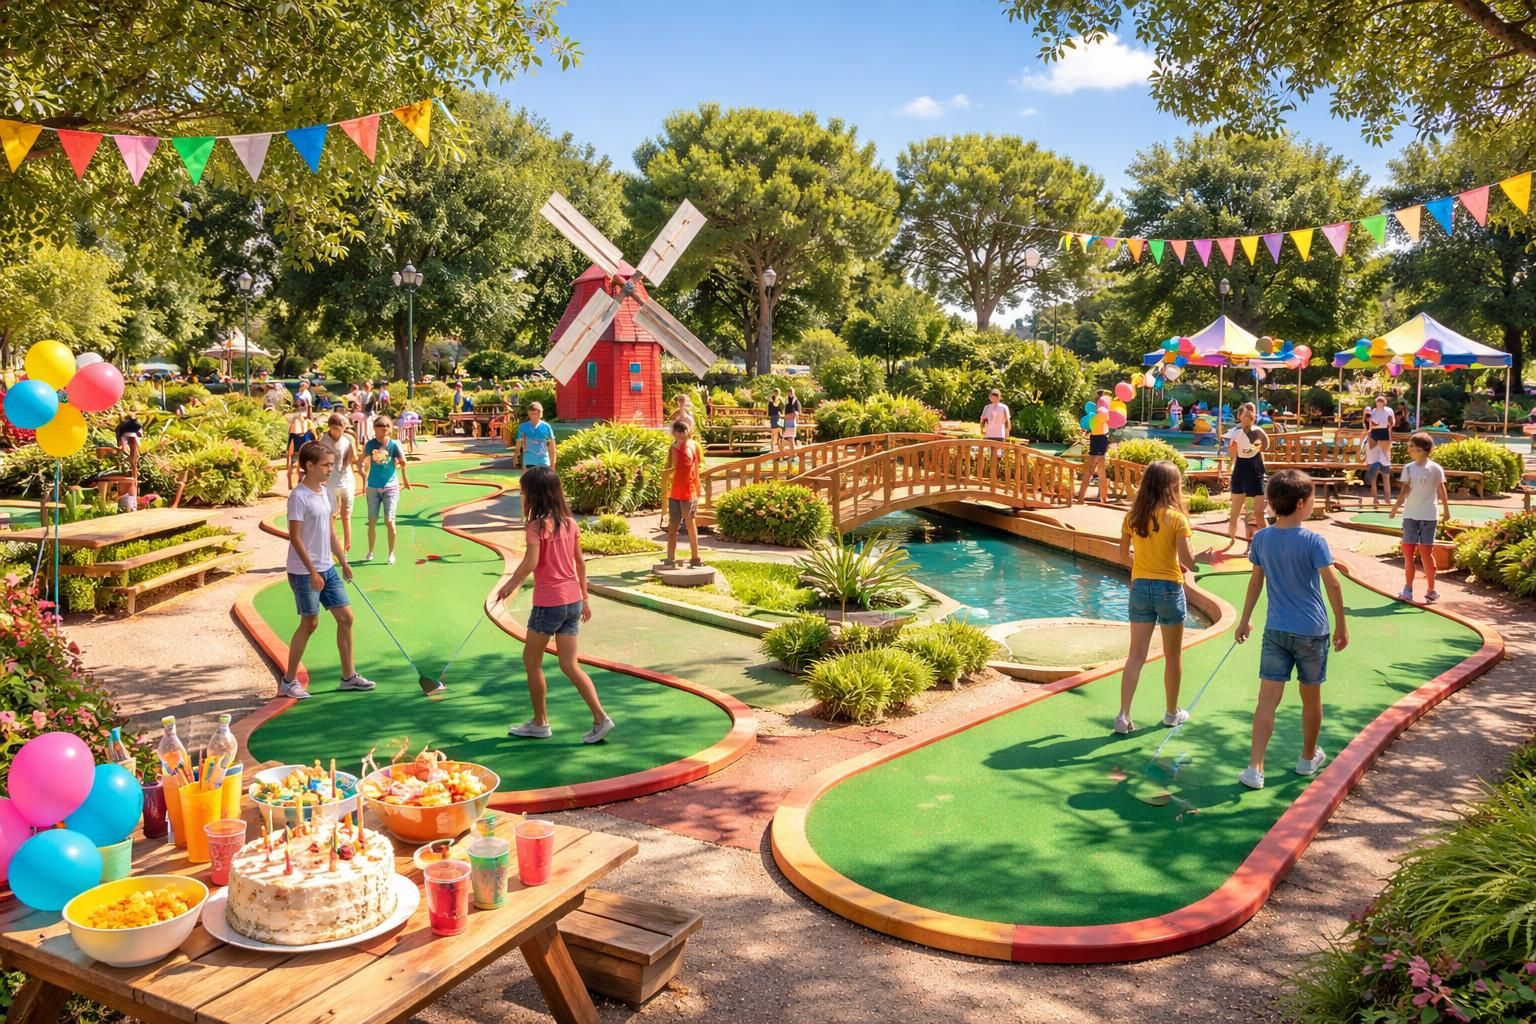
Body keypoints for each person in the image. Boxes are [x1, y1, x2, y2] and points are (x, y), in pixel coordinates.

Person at [1234, 469, 1349, 790]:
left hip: (1276, 631)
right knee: (1310, 698)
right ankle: (1307, 757)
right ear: (1301, 503)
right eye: (1312, 499)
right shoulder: (1314, 540)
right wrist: (1342, 624)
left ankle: (1255, 767)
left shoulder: (1261, 538)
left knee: (1266, 701)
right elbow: (1333, 584)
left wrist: (1244, 619)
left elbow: (1256, 581)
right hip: (1312, 631)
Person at [495, 466, 614, 744]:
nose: (522, 495)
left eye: (523, 491)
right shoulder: (570, 523)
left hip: (549, 604)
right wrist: (585, 598)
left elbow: (531, 563)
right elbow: (580, 563)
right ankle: (600, 718)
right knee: (570, 664)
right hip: (572, 600)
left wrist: (509, 586)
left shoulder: (536, 527)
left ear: (534, 495)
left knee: (531, 661)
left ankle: (540, 723)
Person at [279, 441, 375, 699]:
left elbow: (331, 532)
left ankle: (348, 676)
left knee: (346, 618)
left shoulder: (324, 492)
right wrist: (312, 571)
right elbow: (295, 537)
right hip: (304, 571)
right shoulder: (299, 497)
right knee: (310, 623)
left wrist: (343, 561)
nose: (330, 469)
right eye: (326, 465)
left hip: (328, 567)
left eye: (332, 465)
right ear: (309, 466)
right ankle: (288, 682)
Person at [1114, 460, 1198, 734]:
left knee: (1136, 654)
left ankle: (1123, 715)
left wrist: (1144, 564)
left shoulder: (1132, 517)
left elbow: (1121, 554)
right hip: (1168, 589)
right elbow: (1188, 560)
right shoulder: (1176, 519)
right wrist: (1203, 559)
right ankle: (1172, 713)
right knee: (1172, 655)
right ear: (1173, 487)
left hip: (1140, 587)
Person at [1388, 432, 1451, 604]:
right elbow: (1404, 491)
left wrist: (1446, 509)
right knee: (1408, 553)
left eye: (1411, 447)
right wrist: (1395, 508)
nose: (1408, 450)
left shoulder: (1435, 468)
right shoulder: (1408, 468)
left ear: (1422, 450)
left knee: (1426, 553)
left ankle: (1431, 589)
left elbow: (1441, 489)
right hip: (1410, 515)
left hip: (1429, 515)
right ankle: (1408, 589)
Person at [362, 415, 412, 564]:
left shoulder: (394, 444)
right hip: (372, 486)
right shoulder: (370, 444)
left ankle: (391, 553)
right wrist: (361, 472)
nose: (383, 433)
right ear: (375, 429)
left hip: (390, 486)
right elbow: (362, 459)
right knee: (372, 521)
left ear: (389, 430)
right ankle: (370, 551)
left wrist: (402, 465)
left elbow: (404, 461)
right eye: (380, 429)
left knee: (389, 521)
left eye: (386, 429)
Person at [659, 420, 704, 568]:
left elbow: (696, 468)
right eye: (677, 431)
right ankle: (670, 558)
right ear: (674, 433)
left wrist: (698, 488)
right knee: (673, 528)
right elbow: (669, 469)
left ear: (687, 432)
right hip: (675, 493)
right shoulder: (672, 448)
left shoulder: (694, 446)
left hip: (688, 492)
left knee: (690, 524)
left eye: (682, 431)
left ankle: (695, 558)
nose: (679, 434)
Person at [1224, 402, 1269, 544]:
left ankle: (1266, 543)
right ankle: (1230, 541)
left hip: (1255, 473)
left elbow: (1265, 446)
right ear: (1239, 416)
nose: (1249, 413)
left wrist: (1256, 443)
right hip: (1240, 472)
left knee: (1258, 514)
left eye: (1252, 410)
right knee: (1234, 514)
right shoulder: (1235, 433)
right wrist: (1229, 462)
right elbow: (1231, 453)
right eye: (1246, 411)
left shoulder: (1257, 431)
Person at [316, 413, 359, 555]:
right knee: (332, 514)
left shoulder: (348, 439)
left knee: (346, 515)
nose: (341, 431)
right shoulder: (323, 440)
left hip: (346, 479)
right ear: (332, 427)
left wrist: (354, 448)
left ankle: (347, 547)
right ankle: (333, 546)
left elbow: (353, 459)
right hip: (330, 481)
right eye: (338, 427)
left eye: (343, 427)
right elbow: (318, 459)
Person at [284, 404, 317, 489]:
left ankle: (296, 482)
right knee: (296, 466)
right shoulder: (306, 429)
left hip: (301, 449)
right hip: (301, 449)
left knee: (297, 466)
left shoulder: (306, 429)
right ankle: (295, 482)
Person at [516, 402, 557, 470]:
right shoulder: (523, 427)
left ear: (541, 414)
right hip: (530, 459)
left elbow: (552, 447)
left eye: (537, 413)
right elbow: (519, 446)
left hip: (543, 459)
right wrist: (517, 457)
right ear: (529, 414)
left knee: (543, 479)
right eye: (532, 414)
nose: (534, 416)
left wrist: (553, 465)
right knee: (531, 478)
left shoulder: (546, 427)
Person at [1366, 395, 1396, 466]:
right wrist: (1372, 422)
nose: (1379, 404)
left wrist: (1391, 422)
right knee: (1373, 448)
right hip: (1374, 431)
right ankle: (1372, 463)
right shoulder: (1373, 411)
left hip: (1384, 430)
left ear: (1384, 403)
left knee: (1385, 448)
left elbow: (1393, 422)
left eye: (1381, 402)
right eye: (1378, 402)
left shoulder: (1389, 410)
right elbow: (1369, 421)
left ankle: (1386, 463)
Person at [781, 387, 801, 454]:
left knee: (791, 439)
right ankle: (792, 453)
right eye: (789, 392)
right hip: (786, 422)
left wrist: (783, 416)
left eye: (791, 392)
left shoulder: (795, 401)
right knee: (787, 439)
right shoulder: (788, 401)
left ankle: (793, 454)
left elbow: (795, 414)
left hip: (791, 422)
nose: (789, 393)